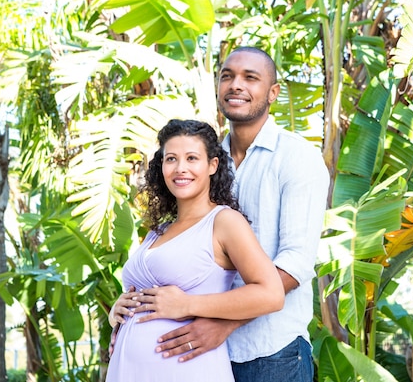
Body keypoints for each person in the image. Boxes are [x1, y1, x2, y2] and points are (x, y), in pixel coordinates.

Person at [112, 46, 331, 381]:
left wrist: (222, 323)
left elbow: (295, 263)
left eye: (250, 78)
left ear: (273, 92)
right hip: (203, 355)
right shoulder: (204, 157)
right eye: (227, 76)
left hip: (269, 350)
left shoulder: (297, 158)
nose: (235, 85)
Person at [106, 118, 285, 382]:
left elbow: (271, 294)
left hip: (187, 370)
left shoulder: (224, 222)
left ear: (212, 165)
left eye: (192, 158)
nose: (180, 168)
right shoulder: (159, 230)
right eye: (171, 159)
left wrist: (188, 304)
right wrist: (118, 312)